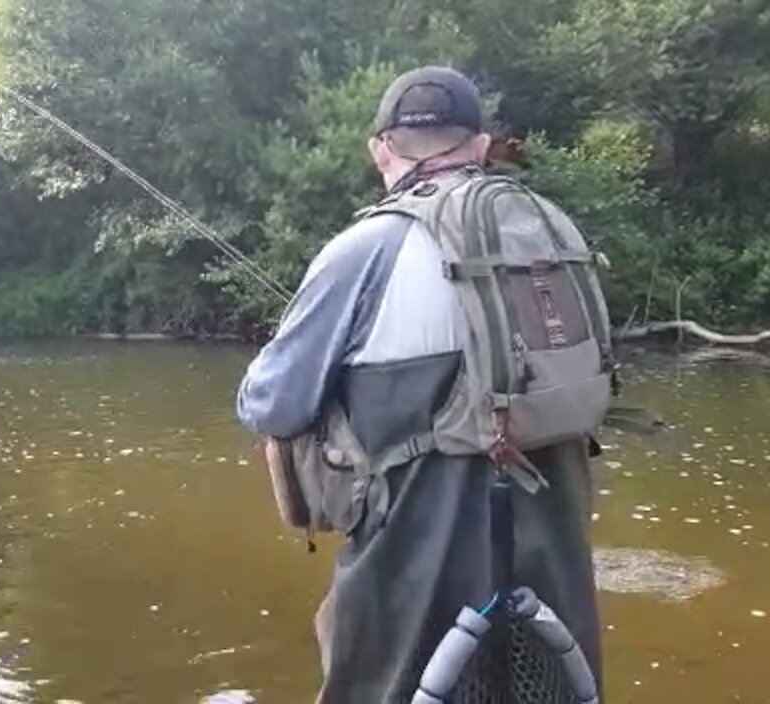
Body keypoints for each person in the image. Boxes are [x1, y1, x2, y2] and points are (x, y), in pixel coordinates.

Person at [235, 66, 604, 703]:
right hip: (554, 584)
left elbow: (270, 404)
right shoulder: (556, 233)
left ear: (381, 149)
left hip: (415, 577)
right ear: (483, 146)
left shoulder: (363, 248)